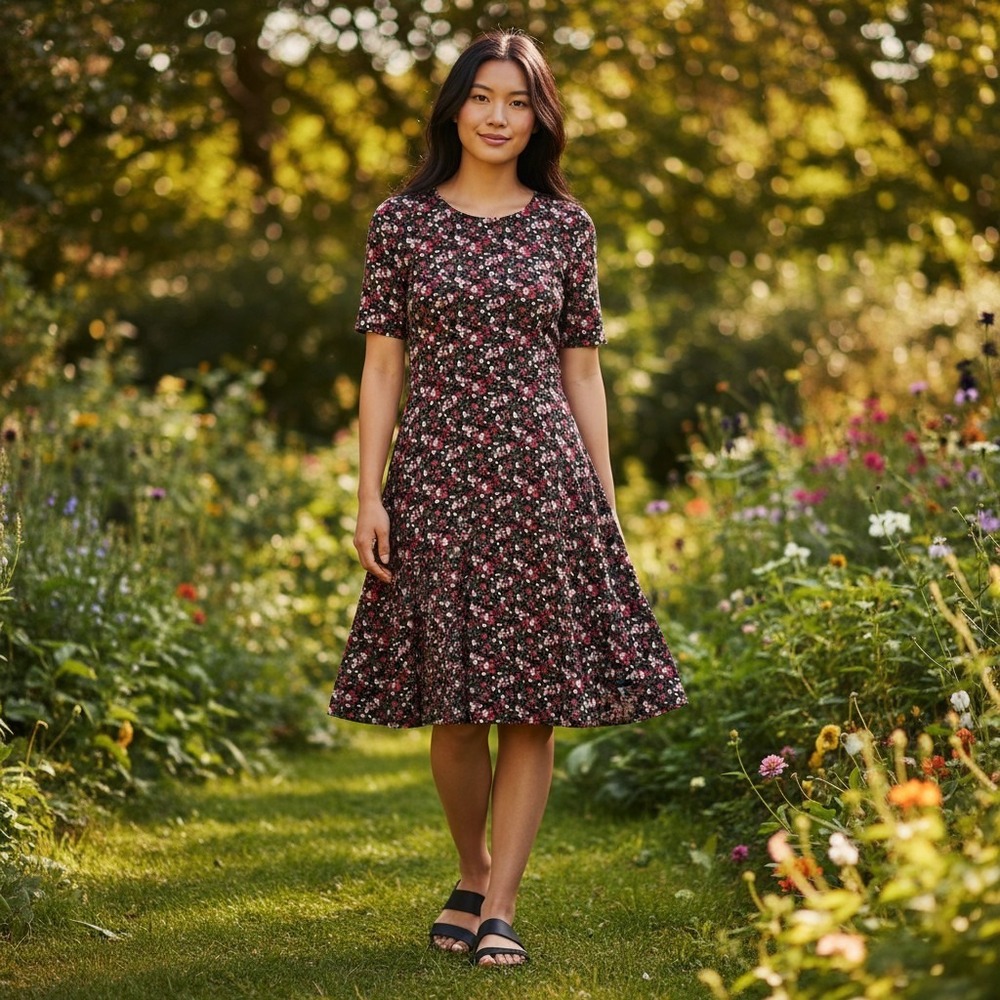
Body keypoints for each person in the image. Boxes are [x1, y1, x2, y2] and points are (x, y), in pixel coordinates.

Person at [327, 28, 687, 967]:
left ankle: (502, 907)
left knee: (531, 704)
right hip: (437, 476)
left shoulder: (566, 227)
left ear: (540, 117)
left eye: (518, 101)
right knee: (455, 706)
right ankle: (472, 865)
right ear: (454, 107)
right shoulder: (400, 222)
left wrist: (602, 501)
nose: (498, 117)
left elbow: (584, 372)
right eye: (483, 97)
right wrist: (369, 494)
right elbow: (378, 370)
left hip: (542, 478)